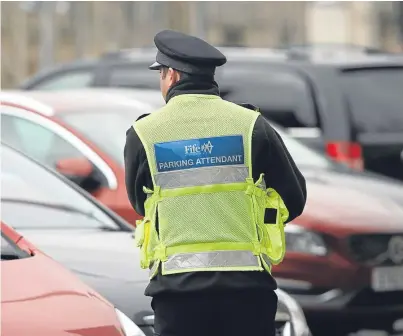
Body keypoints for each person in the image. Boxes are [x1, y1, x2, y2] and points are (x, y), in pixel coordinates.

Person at [124, 30, 307, 336]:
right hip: (247, 292)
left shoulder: (145, 133)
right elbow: (294, 198)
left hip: (177, 296)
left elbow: (140, 202)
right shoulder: (250, 126)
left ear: (171, 76)